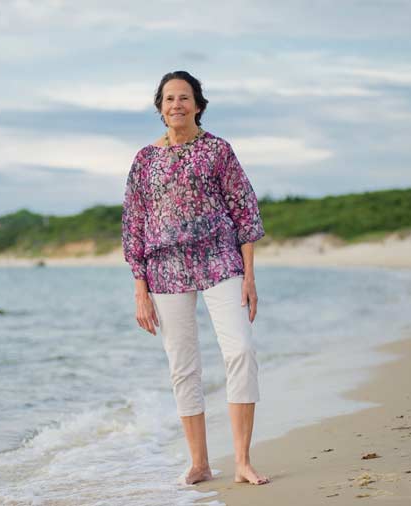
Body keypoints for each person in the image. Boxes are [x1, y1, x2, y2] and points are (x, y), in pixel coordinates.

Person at [122, 70, 269, 486]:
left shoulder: (218, 151)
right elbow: (134, 224)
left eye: (184, 98)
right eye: (168, 99)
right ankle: (200, 463)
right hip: (164, 270)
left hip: (221, 260)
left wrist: (250, 276)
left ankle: (241, 461)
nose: (176, 105)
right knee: (182, 366)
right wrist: (140, 288)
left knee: (240, 350)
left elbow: (245, 210)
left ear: (198, 105)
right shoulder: (144, 160)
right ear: (160, 108)